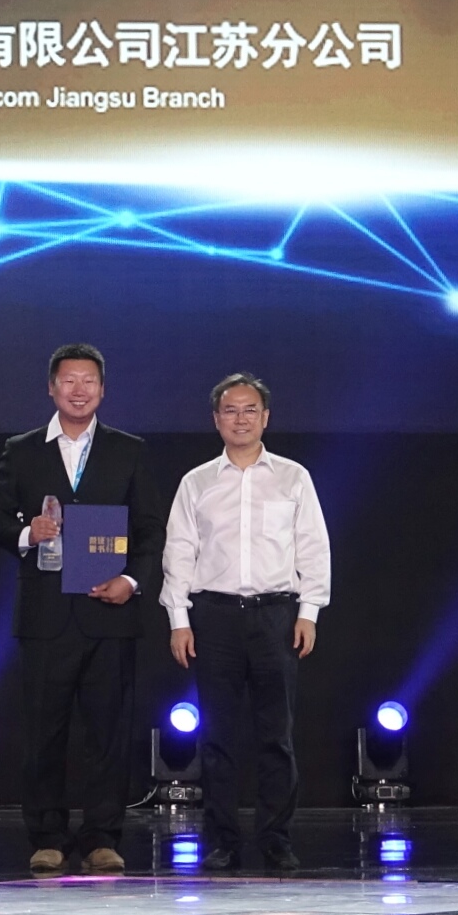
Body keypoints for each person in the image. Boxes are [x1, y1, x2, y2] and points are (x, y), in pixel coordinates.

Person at [0, 343, 165, 877]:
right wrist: (27, 532)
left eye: (88, 380)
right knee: (44, 732)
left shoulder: (129, 450)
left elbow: (150, 529)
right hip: (46, 616)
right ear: (51, 388)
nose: (78, 389)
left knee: (108, 733)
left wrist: (131, 580)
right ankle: (48, 837)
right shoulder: (22, 451)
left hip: (110, 612)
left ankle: (103, 836)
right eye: (69, 380)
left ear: (102, 390)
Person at [160, 372, 328, 873]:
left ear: (265, 417)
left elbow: (313, 547)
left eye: (250, 409)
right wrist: (178, 619)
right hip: (214, 618)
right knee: (218, 737)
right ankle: (223, 841)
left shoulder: (293, 477)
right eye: (230, 410)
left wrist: (309, 611)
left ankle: (276, 838)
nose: (240, 419)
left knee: (277, 735)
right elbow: (179, 552)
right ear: (216, 420)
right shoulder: (196, 482)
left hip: (276, 615)